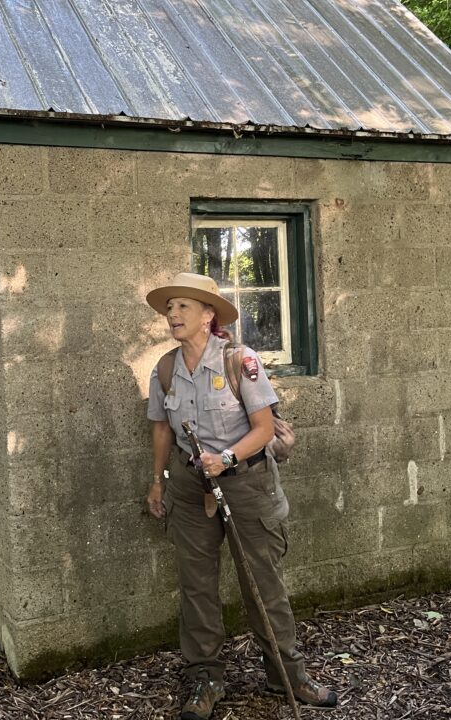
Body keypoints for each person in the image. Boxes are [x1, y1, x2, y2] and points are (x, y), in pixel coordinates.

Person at [145, 272, 337, 719]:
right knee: (197, 587)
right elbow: (161, 429)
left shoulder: (240, 360)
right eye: (170, 307)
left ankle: (288, 676)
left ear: (207, 315)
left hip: (247, 483)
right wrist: (158, 480)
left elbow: (264, 429)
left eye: (183, 306)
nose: (173, 314)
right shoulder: (166, 368)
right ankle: (205, 679)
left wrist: (226, 458)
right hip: (190, 487)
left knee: (263, 584)